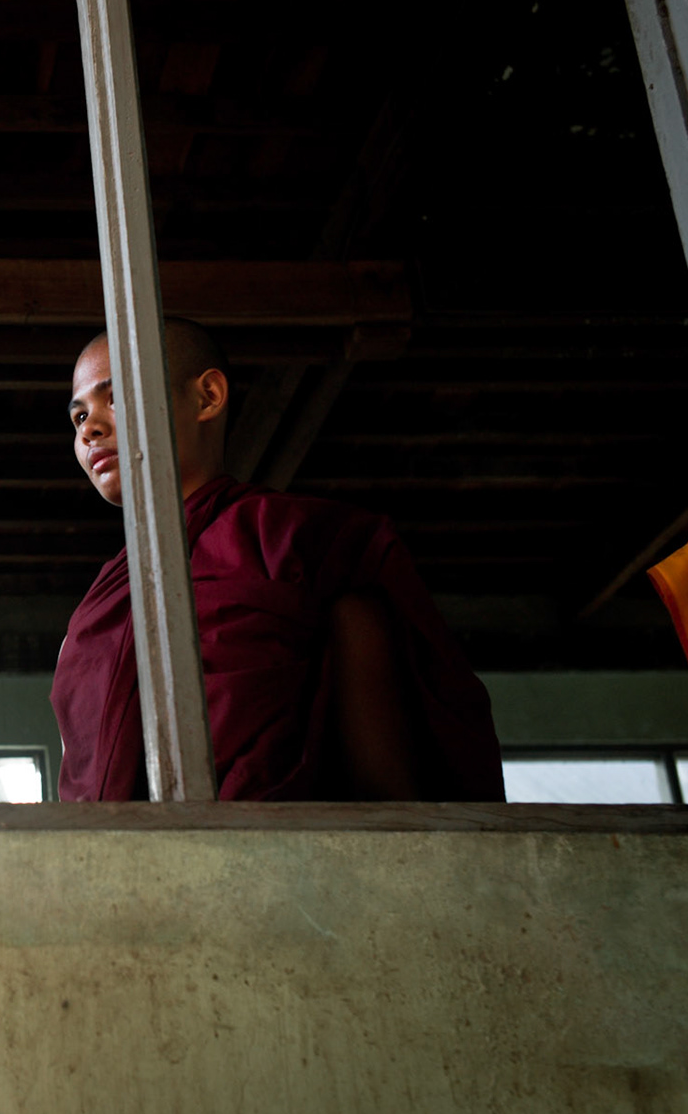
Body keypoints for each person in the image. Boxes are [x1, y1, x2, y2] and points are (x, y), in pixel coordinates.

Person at [54, 320, 503, 801]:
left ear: (207, 396)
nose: (92, 429)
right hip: (116, 866)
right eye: (80, 417)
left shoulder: (293, 542)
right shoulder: (100, 601)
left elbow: (386, 791)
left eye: (115, 397)